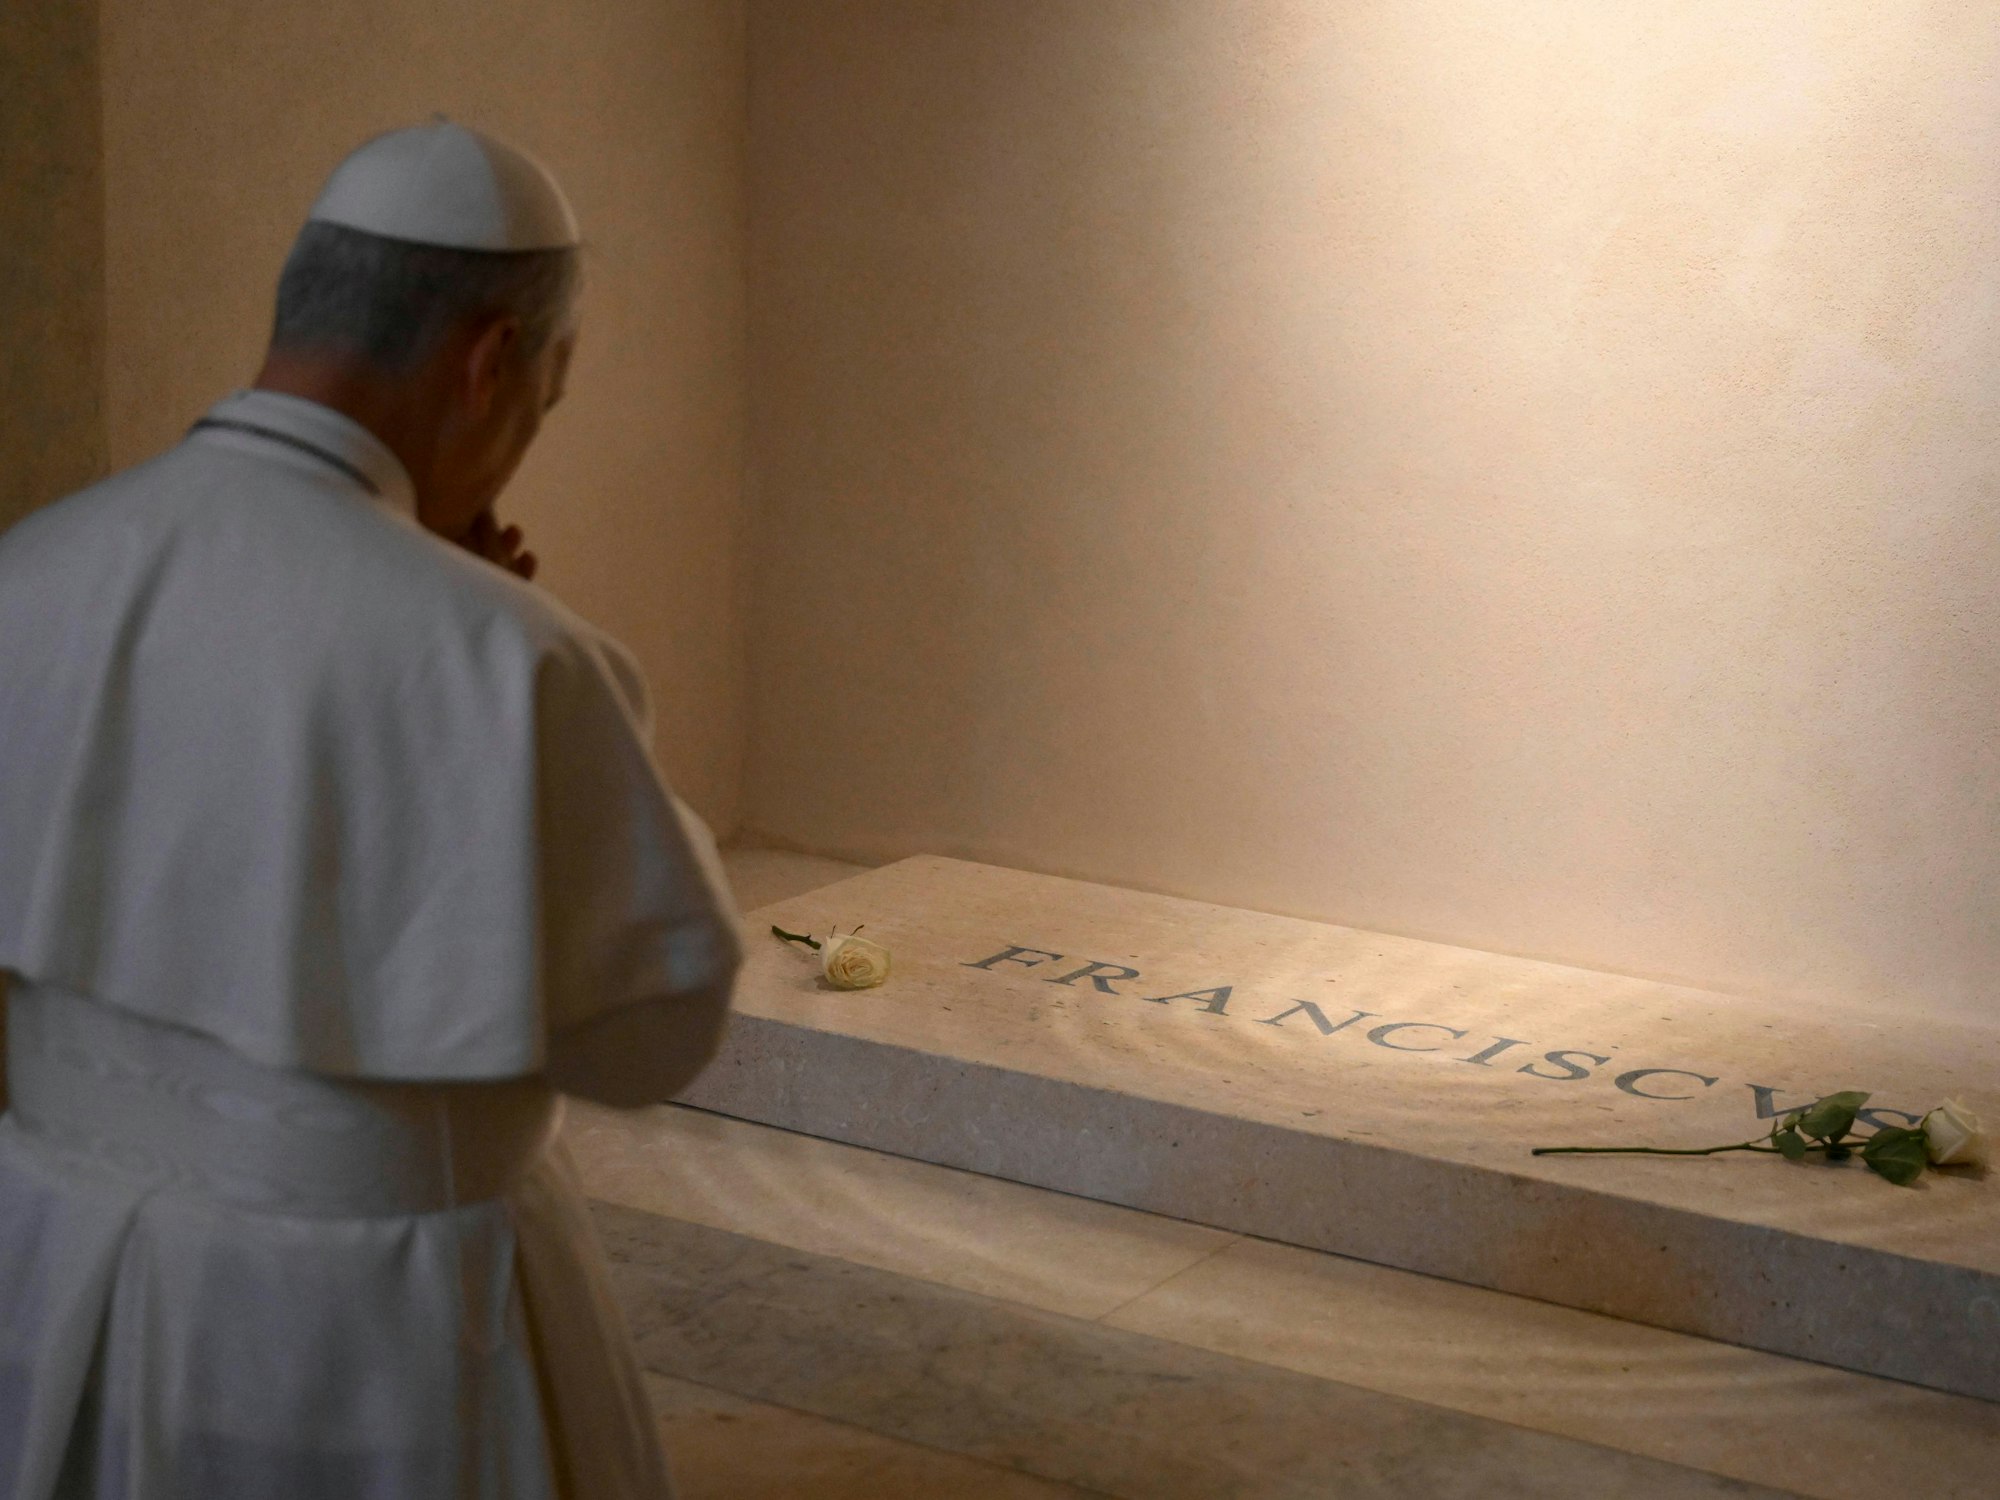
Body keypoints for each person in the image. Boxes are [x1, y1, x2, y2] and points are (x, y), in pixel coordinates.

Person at [0, 121, 742, 1497]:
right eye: (544, 402)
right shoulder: (514, 657)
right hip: (368, 1339)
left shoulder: (28, 572)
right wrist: (493, 614)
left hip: (53, 1284)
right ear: (488, 361)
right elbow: (653, 1034)